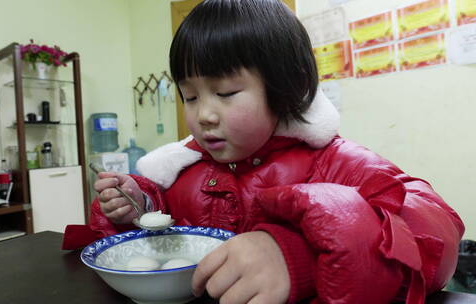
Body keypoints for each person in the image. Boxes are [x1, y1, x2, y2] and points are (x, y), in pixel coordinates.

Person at [63, 1, 464, 303]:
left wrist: (301, 258)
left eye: (225, 93)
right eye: (190, 95)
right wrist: (139, 207)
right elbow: (164, 235)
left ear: (288, 87)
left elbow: (435, 238)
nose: (203, 115)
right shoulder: (185, 170)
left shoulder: (337, 162)